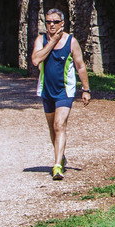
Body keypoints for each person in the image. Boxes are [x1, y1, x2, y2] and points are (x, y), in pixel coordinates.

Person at [29, 9, 90, 180]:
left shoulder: (71, 42)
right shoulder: (41, 40)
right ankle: (61, 156)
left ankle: (57, 166)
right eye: (49, 22)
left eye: (56, 22)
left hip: (65, 90)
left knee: (59, 125)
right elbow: (35, 60)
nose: (52, 25)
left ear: (62, 23)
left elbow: (80, 66)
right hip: (46, 90)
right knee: (52, 128)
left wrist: (86, 89)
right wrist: (52, 41)